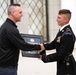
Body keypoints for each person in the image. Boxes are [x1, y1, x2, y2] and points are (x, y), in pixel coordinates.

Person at [0, 4, 41, 75]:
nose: (22, 15)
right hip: (7, 68)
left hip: (6, 67)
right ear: (13, 13)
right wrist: (39, 47)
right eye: (20, 12)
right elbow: (22, 45)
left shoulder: (6, 26)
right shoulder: (10, 29)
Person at [39, 9, 76, 75]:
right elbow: (54, 44)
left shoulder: (68, 34)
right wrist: (43, 46)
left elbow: (61, 54)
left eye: (59, 18)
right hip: (62, 63)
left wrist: (46, 58)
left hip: (67, 66)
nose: (56, 19)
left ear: (66, 20)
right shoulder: (63, 31)